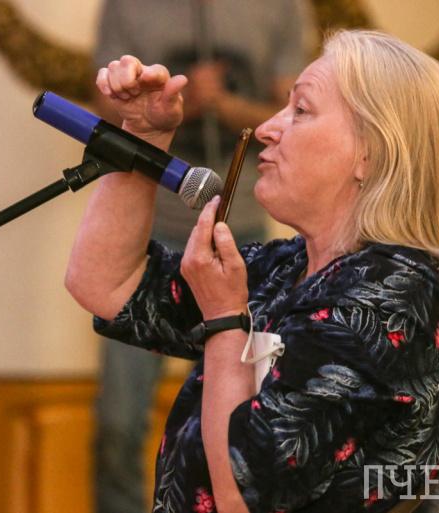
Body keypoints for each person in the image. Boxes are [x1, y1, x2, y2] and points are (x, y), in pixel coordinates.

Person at [67, 29, 439, 513]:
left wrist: (224, 318)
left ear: (369, 152)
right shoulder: (290, 268)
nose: (265, 128)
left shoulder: (393, 298)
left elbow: (241, 494)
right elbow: (107, 283)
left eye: (300, 110)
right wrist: (142, 139)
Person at [90, 2, 307, 512]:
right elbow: (104, 115)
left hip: (241, 227)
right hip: (156, 223)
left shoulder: (279, 8)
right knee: (119, 421)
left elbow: (289, 117)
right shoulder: (127, 7)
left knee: (239, 420)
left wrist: (224, 104)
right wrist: (164, 110)